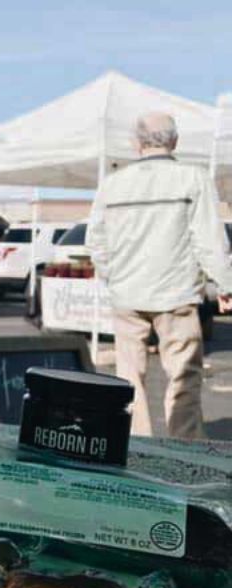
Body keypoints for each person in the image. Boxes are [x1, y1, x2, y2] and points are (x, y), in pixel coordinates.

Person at [88, 112, 232, 440]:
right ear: (175, 141)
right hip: (176, 294)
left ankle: (136, 446)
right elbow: (209, 240)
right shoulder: (192, 179)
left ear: (136, 144)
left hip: (126, 295)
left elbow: (95, 242)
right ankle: (183, 449)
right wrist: (226, 284)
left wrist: (115, 276)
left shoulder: (112, 184)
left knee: (129, 377)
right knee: (183, 376)